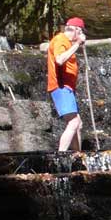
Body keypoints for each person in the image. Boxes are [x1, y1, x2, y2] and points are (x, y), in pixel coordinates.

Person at [46, 16, 88, 152]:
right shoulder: (60, 40)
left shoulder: (67, 43)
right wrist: (77, 44)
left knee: (78, 124)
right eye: (81, 32)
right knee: (73, 122)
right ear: (76, 30)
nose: (82, 36)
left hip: (67, 88)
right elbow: (59, 59)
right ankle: (61, 155)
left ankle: (78, 157)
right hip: (60, 86)